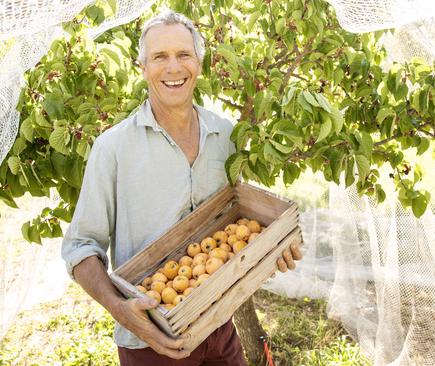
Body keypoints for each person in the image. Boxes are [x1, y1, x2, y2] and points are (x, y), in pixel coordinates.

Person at [61, 10, 302, 365]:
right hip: (151, 341)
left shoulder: (226, 136)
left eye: (183, 55)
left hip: (219, 328)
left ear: (199, 65)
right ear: (142, 67)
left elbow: (234, 227)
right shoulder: (113, 148)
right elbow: (81, 247)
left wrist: (272, 253)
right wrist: (120, 310)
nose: (173, 67)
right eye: (160, 57)